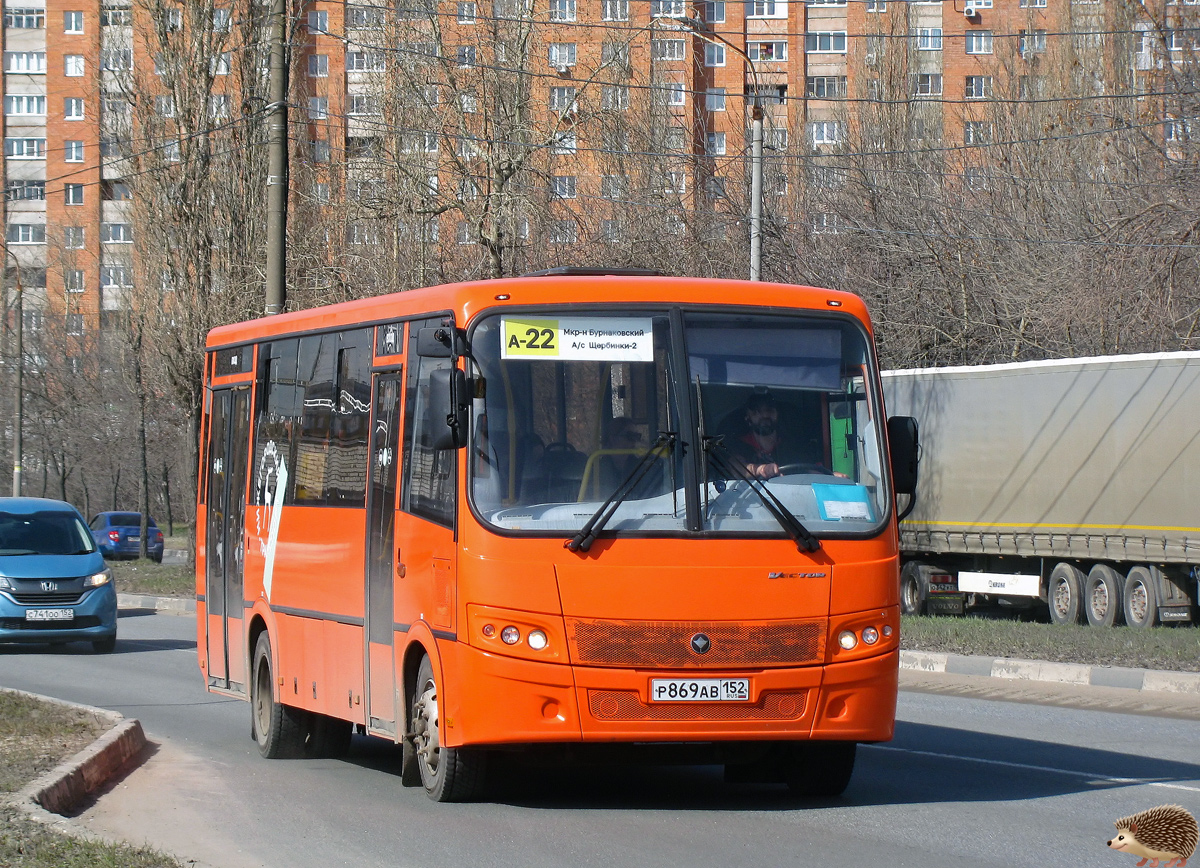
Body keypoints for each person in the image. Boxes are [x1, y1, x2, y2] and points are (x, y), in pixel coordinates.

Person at [727, 392, 822, 479]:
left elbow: (813, 470)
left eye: (769, 410)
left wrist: (831, 477)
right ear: (748, 419)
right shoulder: (739, 445)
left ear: (777, 414)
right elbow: (737, 469)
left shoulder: (794, 445)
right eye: (757, 412)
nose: (764, 415)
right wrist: (761, 469)